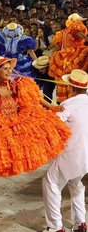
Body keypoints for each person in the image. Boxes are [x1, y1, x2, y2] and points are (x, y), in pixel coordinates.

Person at [0, 57, 72, 180]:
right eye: (5, 69)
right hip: (0, 124)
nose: (9, 72)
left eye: (10, 68)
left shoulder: (16, 84)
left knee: (42, 127)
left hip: (17, 121)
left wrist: (51, 106)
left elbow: (35, 97)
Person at [42, 69, 88, 232]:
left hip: (73, 153)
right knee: (75, 183)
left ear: (71, 87)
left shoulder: (68, 104)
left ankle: (55, 226)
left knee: (50, 182)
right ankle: (81, 222)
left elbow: (53, 122)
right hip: (86, 157)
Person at [48, 13, 88, 102]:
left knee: (64, 79)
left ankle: (63, 100)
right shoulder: (74, 27)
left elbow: (58, 47)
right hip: (73, 55)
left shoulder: (62, 32)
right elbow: (80, 34)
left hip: (63, 57)